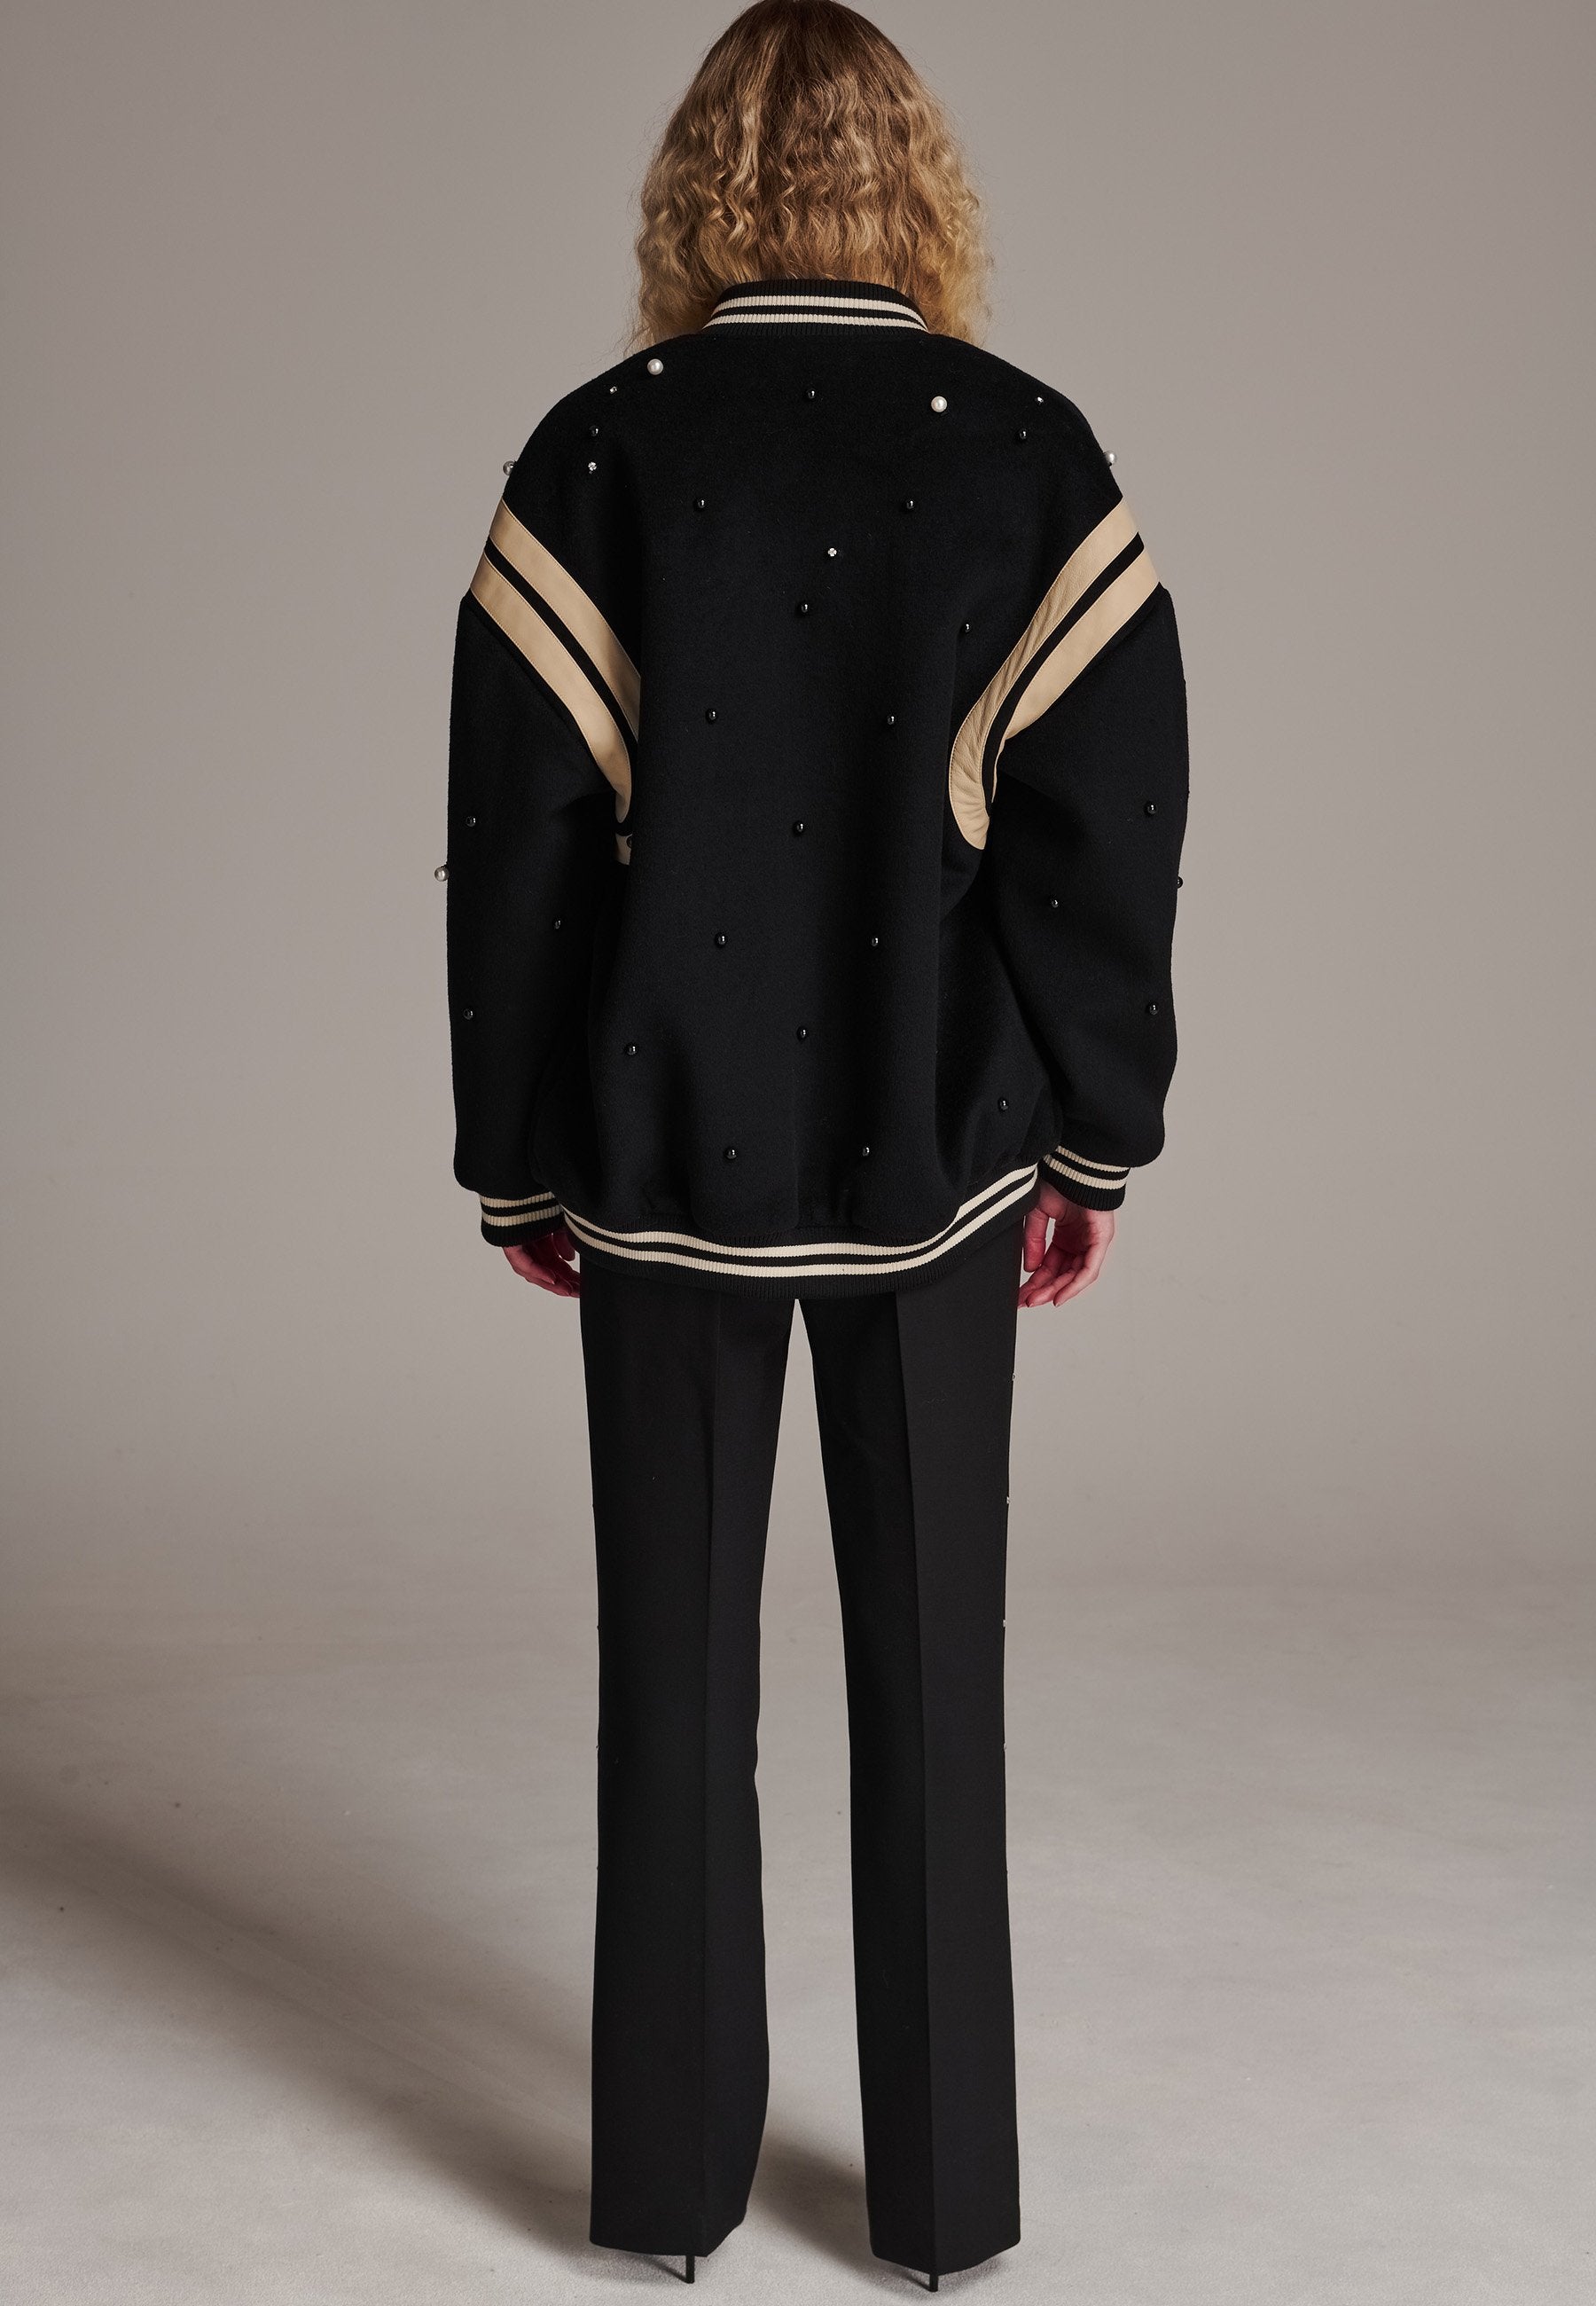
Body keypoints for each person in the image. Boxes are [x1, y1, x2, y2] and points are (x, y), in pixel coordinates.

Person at [442, 0, 1187, 2284]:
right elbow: (1106, 828)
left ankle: (668, 2201)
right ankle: (946, 2214)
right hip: (938, 1166)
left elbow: (518, 841)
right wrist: (1092, 1139)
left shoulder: (601, 450)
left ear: (697, 188)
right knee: (935, 1688)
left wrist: (523, 1152)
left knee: (669, 1690)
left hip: (663, 1167)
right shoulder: (1024, 451)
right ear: (918, 181)